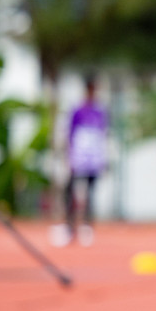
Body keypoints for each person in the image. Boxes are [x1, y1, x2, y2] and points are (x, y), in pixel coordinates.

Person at [50, 77, 109, 247]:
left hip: (94, 157)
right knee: (70, 190)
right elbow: (69, 133)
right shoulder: (77, 109)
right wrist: (68, 155)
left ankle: (86, 227)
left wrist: (102, 158)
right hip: (79, 155)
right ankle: (69, 227)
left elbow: (103, 134)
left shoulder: (100, 111)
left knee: (90, 192)